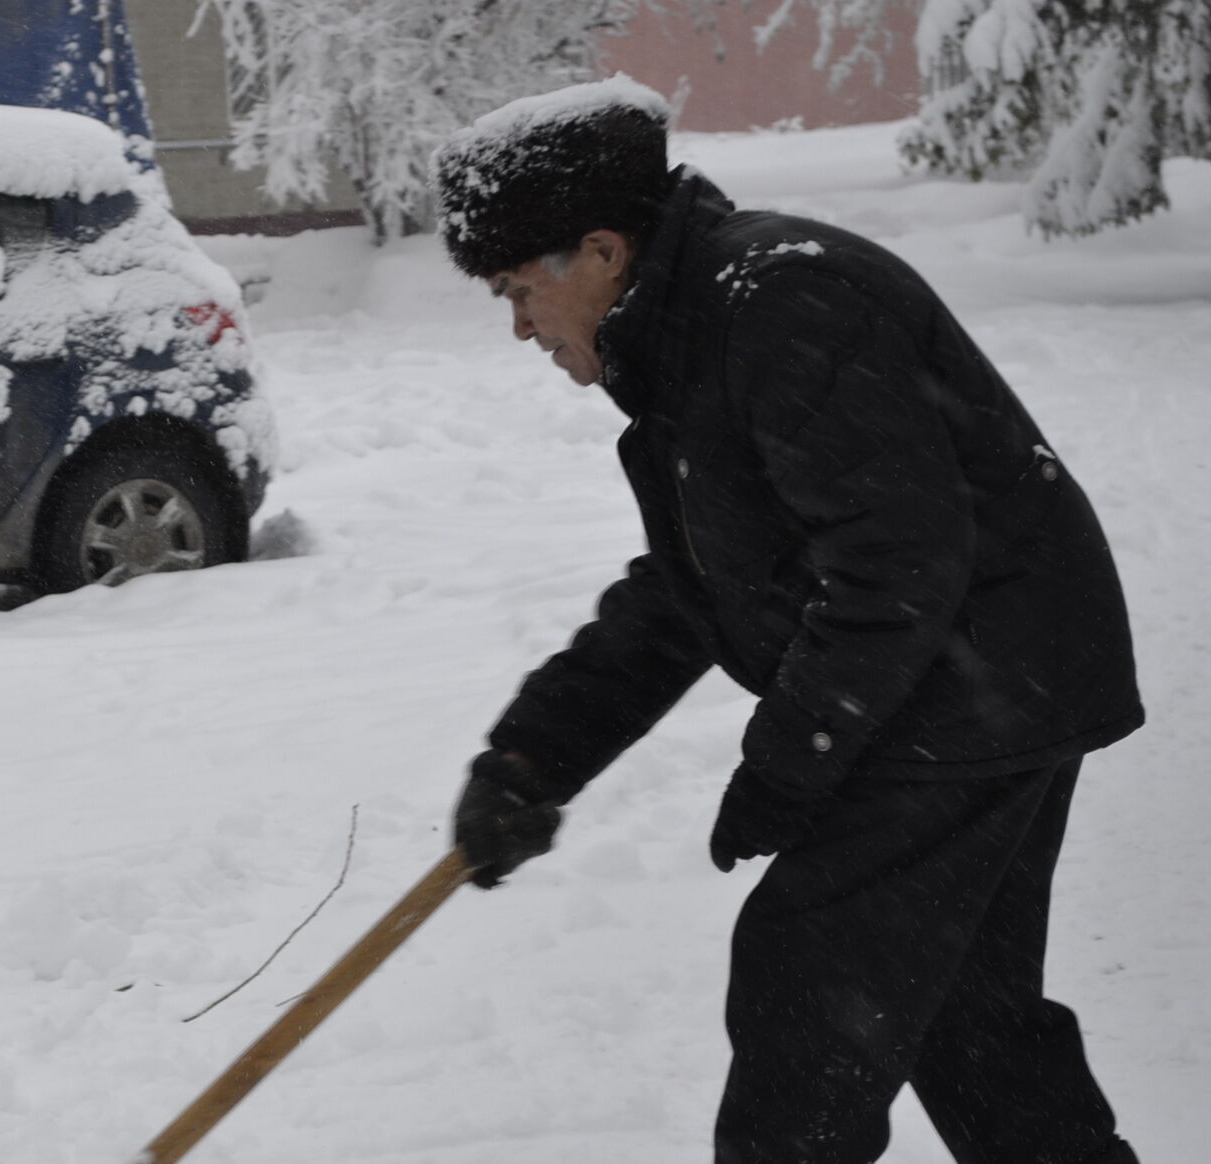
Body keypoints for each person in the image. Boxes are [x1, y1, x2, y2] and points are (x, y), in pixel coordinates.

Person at [434, 77, 1144, 1164]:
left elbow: (897, 564)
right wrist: (538, 753)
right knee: (966, 1020)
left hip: (977, 678)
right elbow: (693, 585)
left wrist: (790, 763)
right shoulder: (695, 329)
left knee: (808, 1002)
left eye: (516, 292)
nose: (521, 329)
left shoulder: (778, 304)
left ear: (604, 252)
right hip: (979, 670)